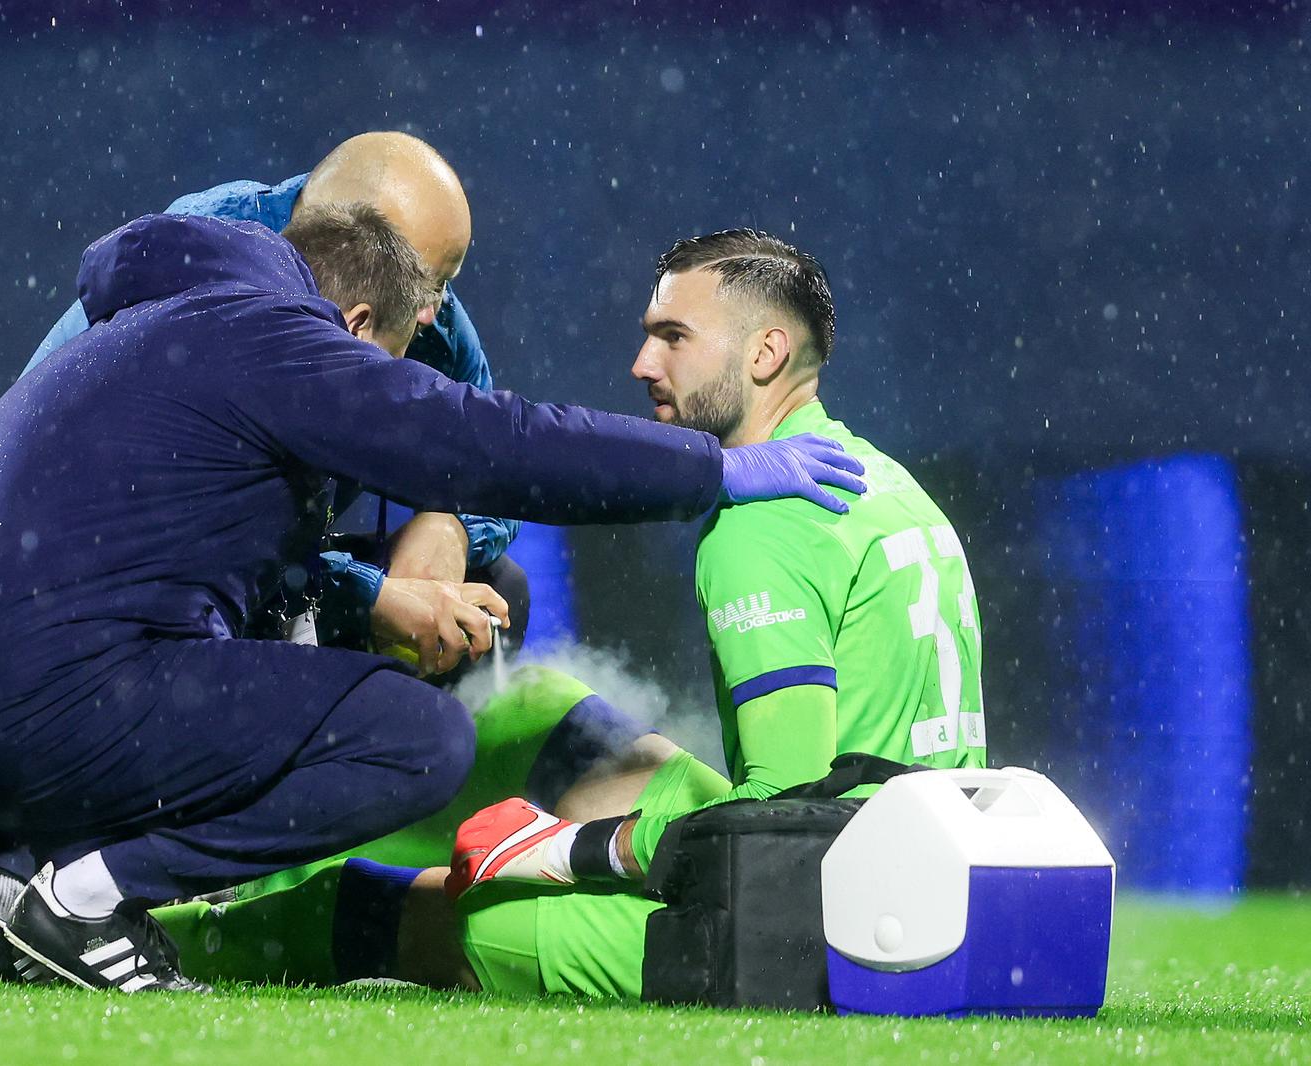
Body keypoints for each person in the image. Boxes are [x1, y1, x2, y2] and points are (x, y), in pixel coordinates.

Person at [0, 211, 867, 993]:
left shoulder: (141, 332)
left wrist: (364, 591)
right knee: (411, 736)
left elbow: (159, 564)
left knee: (246, 631)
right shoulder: (281, 340)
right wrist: (709, 471)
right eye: (397, 364)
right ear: (355, 323)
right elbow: (487, 443)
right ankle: (81, 900)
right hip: (27, 698)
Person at [158, 228, 987, 1000]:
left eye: (673, 336)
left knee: (427, 915)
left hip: (817, 932)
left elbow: (783, 821)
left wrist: (562, 850)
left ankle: (170, 938)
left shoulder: (762, 528)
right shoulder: (884, 485)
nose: (640, 361)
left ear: (766, 352)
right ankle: (244, 864)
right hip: (915, 886)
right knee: (532, 711)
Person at [28, 130, 524, 656]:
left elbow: (502, 466)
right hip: (135, 593)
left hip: (285, 575)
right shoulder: (195, 271)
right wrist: (373, 597)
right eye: (421, 281)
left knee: (494, 588)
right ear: (353, 245)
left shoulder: (432, 319)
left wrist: (451, 529)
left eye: (442, 283)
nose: (430, 313)